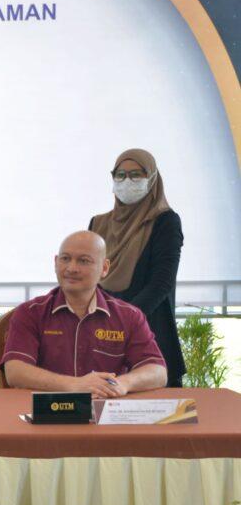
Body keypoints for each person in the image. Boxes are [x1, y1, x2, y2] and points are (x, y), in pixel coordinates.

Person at [1, 231, 167, 397]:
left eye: (83, 261)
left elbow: (157, 371)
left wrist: (123, 383)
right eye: (65, 258)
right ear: (55, 262)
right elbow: (15, 371)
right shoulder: (30, 313)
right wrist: (75, 385)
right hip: (47, 413)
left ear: (104, 268)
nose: (71, 268)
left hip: (107, 414)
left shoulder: (129, 316)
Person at [90, 149, 185, 387]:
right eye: (120, 175)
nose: (126, 181)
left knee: (155, 417)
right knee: (99, 412)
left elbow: (161, 283)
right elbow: (89, 279)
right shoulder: (98, 223)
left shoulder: (165, 221)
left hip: (148, 330)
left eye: (136, 174)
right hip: (102, 334)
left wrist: (125, 320)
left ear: (152, 179)